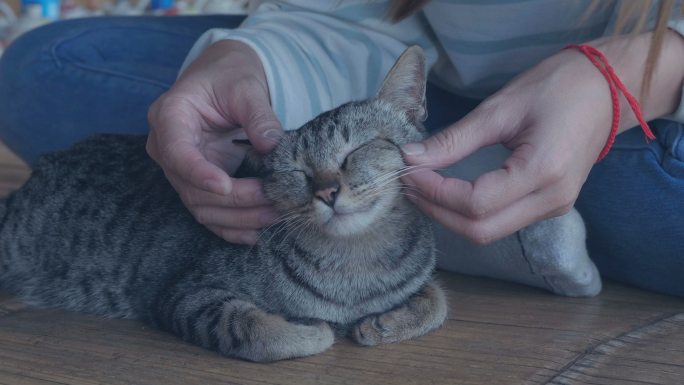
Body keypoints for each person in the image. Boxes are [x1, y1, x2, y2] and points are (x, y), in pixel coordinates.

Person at [0, 1, 682, 296]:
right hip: (403, 101)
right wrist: (253, 61)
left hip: (648, 102)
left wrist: (624, 78)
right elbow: (342, 14)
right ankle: (453, 199)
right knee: (43, 72)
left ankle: (455, 206)